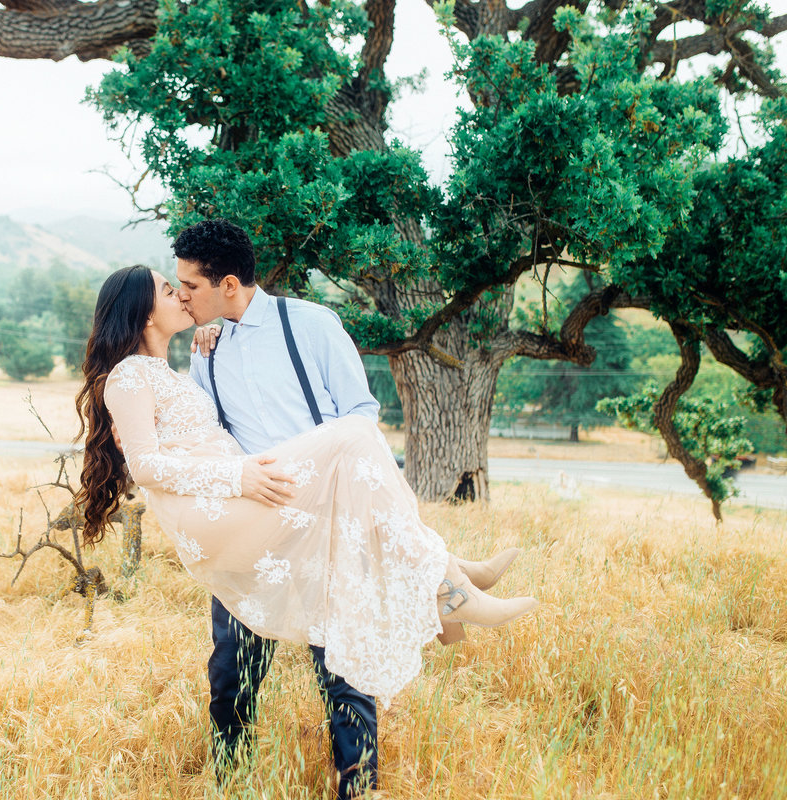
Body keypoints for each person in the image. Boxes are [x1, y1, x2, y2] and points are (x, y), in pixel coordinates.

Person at [75, 256, 536, 798]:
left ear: (226, 285)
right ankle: (447, 584)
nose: (180, 294)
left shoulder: (214, 354)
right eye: (168, 289)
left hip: (284, 505)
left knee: (343, 661)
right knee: (234, 672)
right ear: (142, 312)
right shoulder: (133, 374)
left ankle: (442, 585)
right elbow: (147, 465)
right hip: (232, 508)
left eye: (187, 286)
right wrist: (237, 475)